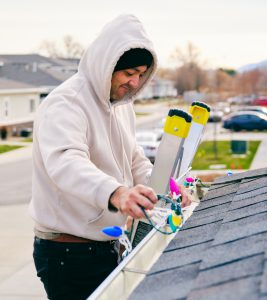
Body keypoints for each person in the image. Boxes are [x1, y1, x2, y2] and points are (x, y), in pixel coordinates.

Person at [29, 14, 191, 299]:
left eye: (141, 75)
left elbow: (134, 159)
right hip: (67, 252)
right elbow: (66, 163)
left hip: (107, 243)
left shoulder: (119, 105)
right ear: (107, 66)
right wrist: (117, 194)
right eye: (128, 73)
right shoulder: (66, 103)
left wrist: (168, 193)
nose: (135, 82)